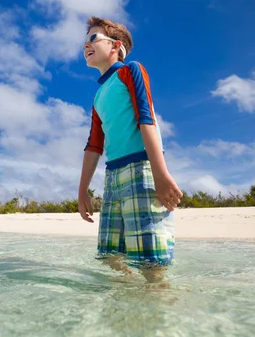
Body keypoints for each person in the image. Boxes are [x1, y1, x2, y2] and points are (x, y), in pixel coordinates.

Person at [77, 16, 183, 284]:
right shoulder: (98, 96)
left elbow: (146, 118)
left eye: (92, 38)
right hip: (113, 177)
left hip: (141, 169)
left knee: (151, 260)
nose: (85, 45)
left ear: (115, 46)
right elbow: (94, 146)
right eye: (84, 42)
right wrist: (82, 191)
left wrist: (160, 173)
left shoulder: (130, 71)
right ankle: (127, 305)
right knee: (110, 255)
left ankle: (158, 300)